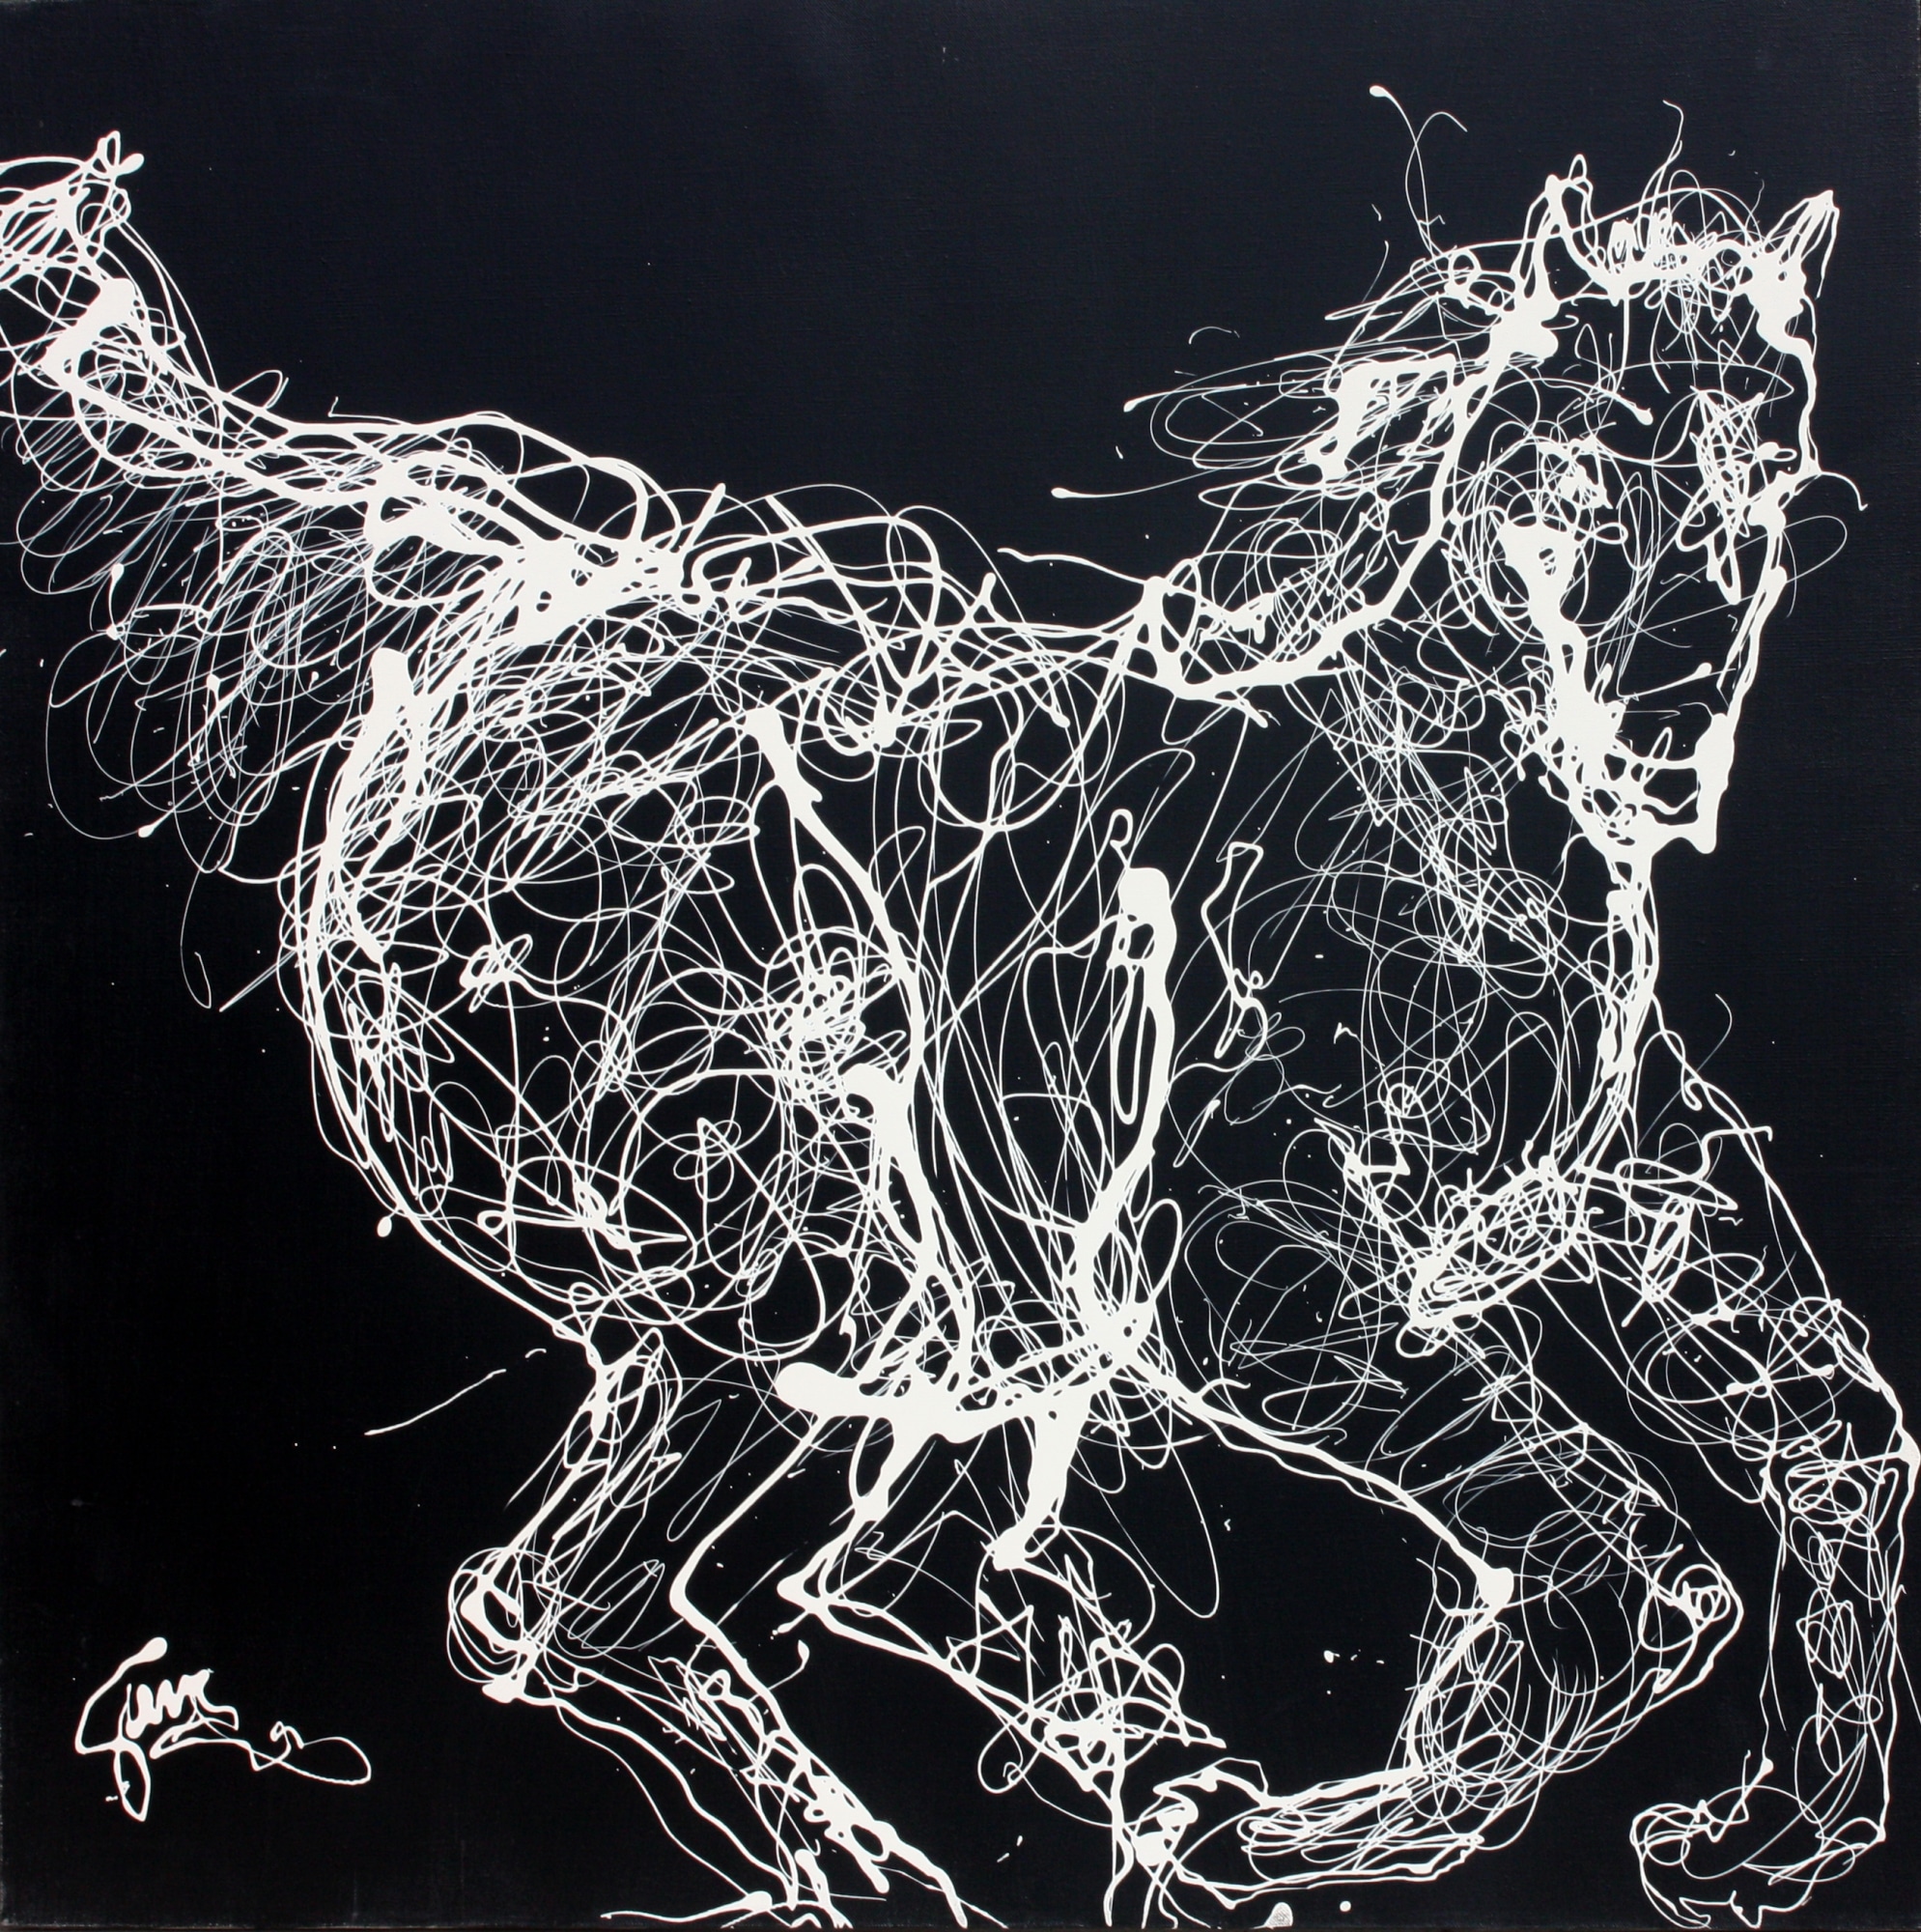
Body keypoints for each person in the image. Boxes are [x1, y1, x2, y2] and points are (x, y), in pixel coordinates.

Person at [2, 130, 1908, 1928]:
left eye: (1758, 524)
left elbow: (1621, 1166)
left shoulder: (1523, 872)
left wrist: (1811, 1598)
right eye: (1644, 521)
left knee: (967, 1316)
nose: (1709, 641)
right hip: (619, 948)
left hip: (907, 1032)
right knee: (909, 1291)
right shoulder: (1311, 812)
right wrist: (1559, 1527)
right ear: (1540, 503)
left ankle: (1098, 1752)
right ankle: (1038, 1750)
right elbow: (1221, 1278)